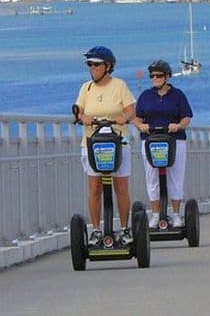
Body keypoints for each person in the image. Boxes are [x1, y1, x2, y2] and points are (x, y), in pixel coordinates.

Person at [74, 46, 136, 245]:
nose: (92, 68)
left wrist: (122, 118)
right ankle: (97, 230)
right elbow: (78, 112)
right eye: (90, 64)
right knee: (94, 188)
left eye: (96, 64)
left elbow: (131, 111)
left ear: (107, 66)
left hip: (118, 142)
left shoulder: (119, 86)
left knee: (121, 187)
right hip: (93, 144)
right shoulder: (86, 88)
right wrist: (83, 118)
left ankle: (125, 229)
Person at [132, 60, 193, 229]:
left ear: (167, 77)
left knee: (175, 177)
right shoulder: (145, 95)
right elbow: (136, 118)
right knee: (152, 178)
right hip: (151, 140)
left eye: (159, 75)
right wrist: (141, 125)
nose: (155, 78)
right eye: (152, 76)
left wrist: (179, 125)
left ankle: (175, 214)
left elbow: (187, 117)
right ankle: (156, 214)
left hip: (175, 140)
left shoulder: (178, 95)